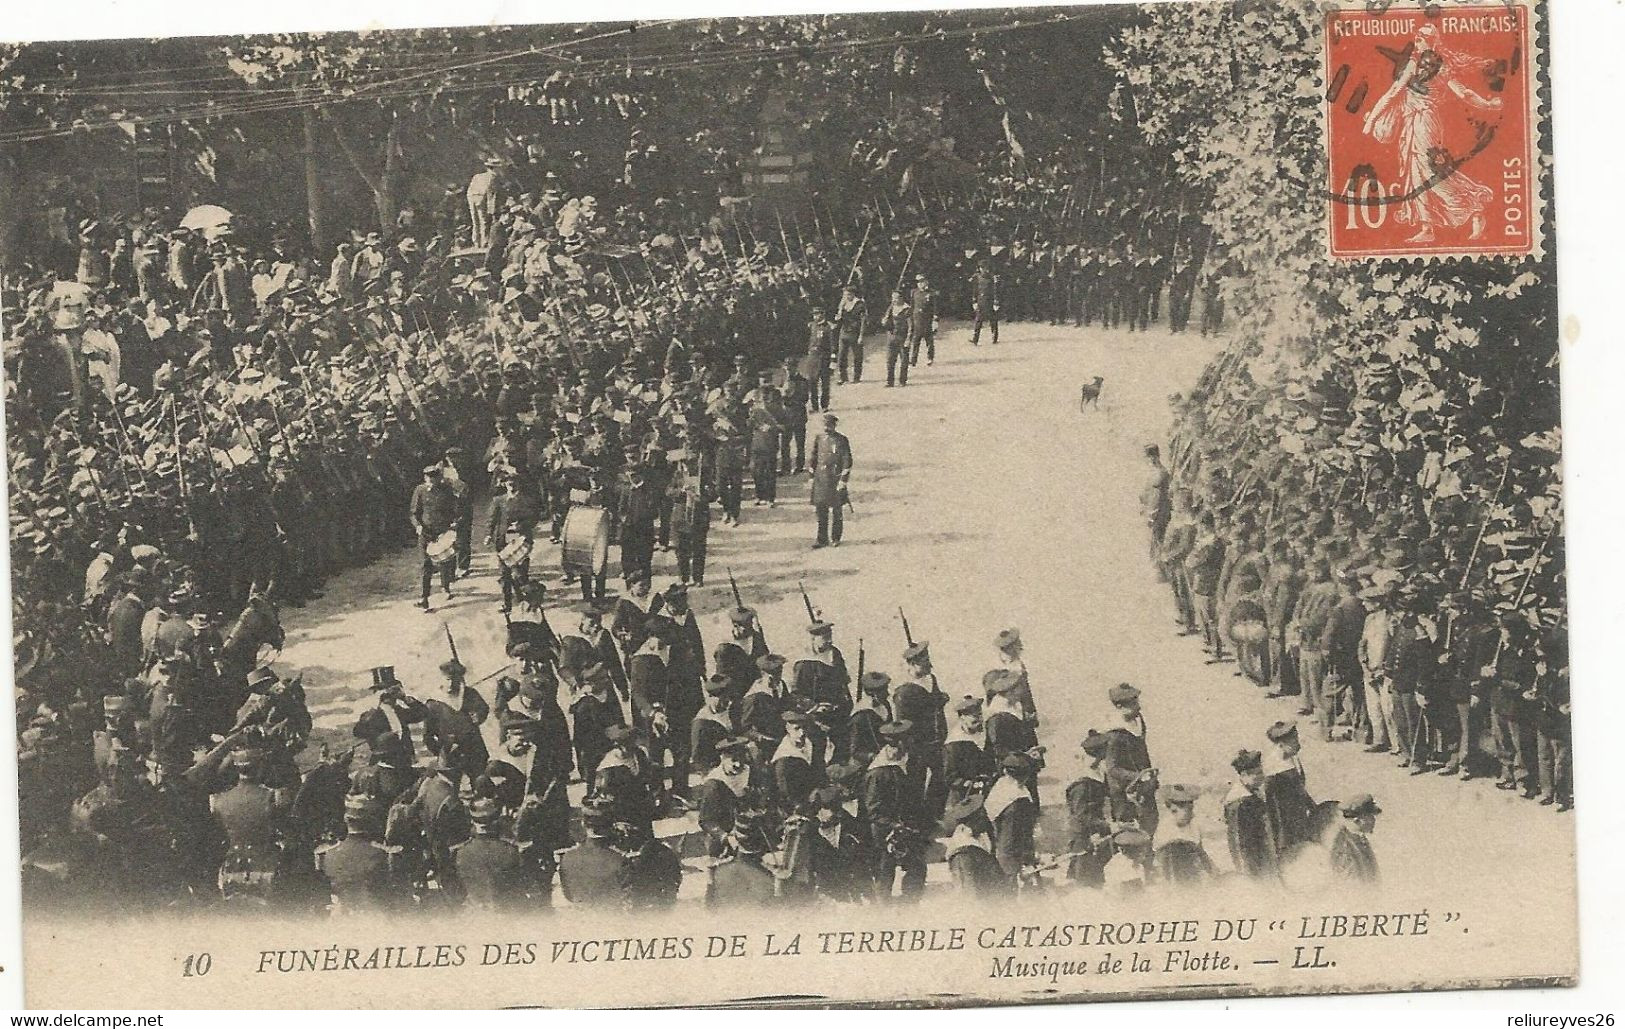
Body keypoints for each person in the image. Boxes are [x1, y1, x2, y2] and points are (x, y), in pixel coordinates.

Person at [860, 721, 927, 902]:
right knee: (884, 871)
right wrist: (894, 825)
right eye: (902, 747)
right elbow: (873, 811)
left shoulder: (907, 763)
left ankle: (910, 903)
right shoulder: (877, 773)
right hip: (885, 831)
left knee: (917, 867)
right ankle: (883, 909)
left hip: (906, 827)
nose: (905, 751)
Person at [1065, 730, 1115, 888]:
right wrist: (1106, 826)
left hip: (1094, 829)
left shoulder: (1096, 772)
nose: (1098, 761)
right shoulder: (1082, 784)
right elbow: (1082, 816)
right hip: (1084, 834)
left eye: (1101, 758)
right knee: (1086, 877)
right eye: (1096, 757)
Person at [1222, 749, 1280, 881]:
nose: (1262, 777)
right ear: (1243, 775)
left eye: (1261, 772)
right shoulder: (1238, 803)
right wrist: (1246, 873)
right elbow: (1237, 842)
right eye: (1257, 774)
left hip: (1262, 856)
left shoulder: (1252, 794)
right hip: (1252, 863)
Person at [409, 465, 460, 610]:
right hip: (425, 534)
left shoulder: (447, 490)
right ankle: (424, 598)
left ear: (439, 478)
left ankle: (446, 587)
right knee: (426, 565)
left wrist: (454, 523)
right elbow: (413, 513)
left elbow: (455, 509)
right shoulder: (420, 490)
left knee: (444, 561)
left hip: (442, 532)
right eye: (427, 477)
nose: (430, 480)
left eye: (433, 477)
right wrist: (417, 525)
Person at [1153, 783, 1217, 886]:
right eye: (1186, 809)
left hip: (1192, 868)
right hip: (1173, 870)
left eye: (1191, 808)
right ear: (1173, 809)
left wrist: (1211, 870)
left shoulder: (1193, 823)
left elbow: (1200, 849)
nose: (1191, 813)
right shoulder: (1166, 827)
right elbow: (1162, 860)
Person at [808, 413, 852, 549]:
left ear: (834, 426)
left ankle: (835, 538)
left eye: (829, 425)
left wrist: (843, 481)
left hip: (835, 479)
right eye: (824, 425)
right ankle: (821, 539)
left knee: (837, 510)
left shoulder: (841, 440)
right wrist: (811, 477)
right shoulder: (819, 438)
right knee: (821, 510)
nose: (826, 428)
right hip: (821, 479)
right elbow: (813, 458)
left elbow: (847, 461)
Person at [1328, 793, 1381, 883]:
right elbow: (1350, 885)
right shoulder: (1344, 845)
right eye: (1370, 816)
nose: (1373, 820)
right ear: (1357, 819)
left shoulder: (1361, 839)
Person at [833, 285, 868, 383]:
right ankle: (843, 377)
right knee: (841, 356)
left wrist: (861, 335)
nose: (846, 297)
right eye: (844, 295)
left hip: (855, 333)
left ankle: (857, 377)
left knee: (857, 356)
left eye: (848, 295)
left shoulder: (860, 304)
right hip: (844, 332)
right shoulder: (843, 304)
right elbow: (839, 319)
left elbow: (863, 321)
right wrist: (838, 316)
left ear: (853, 294)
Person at [883, 289, 911, 387]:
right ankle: (890, 381)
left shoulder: (907, 309)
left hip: (902, 337)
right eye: (892, 298)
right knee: (890, 360)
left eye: (896, 298)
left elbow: (911, 326)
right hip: (891, 336)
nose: (894, 300)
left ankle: (902, 380)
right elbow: (885, 321)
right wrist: (884, 321)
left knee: (904, 360)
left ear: (901, 298)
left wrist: (908, 339)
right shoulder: (891, 308)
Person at [907, 273, 937, 367]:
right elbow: (912, 305)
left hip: (927, 319)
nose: (920, 284)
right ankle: (913, 360)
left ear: (926, 282)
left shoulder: (931, 293)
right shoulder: (914, 292)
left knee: (929, 341)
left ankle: (930, 358)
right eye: (918, 282)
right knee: (916, 340)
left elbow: (935, 307)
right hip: (917, 319)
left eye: (922, 281)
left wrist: (935, 320)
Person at [969, 259, 999, 345]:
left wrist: (996, 302)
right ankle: (975, 339)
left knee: (993, 319)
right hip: (980, 301)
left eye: (984, 268)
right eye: (981, 268)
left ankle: (994, 337)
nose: (983, 269)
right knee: (978, 320)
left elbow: (995, 290)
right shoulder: (977, 277)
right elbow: (975, 290)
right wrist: (974, 301)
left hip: (990, 300)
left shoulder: (992, 277)